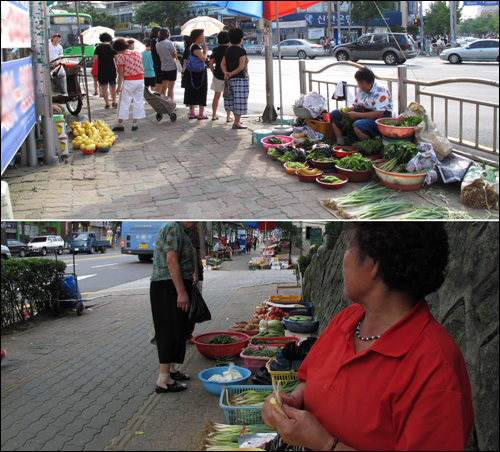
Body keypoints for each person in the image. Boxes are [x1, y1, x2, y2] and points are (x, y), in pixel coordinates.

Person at [261, 223, 474, 451]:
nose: (344, 259)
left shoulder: (435, 367)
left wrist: (324, 444)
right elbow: (309, 380)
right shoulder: (347, 320)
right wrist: (292, 401)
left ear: (374, 265)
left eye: (349, 248)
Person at [150, 221, 197, 393]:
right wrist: (181, 291)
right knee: (168, 329)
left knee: (177, 328)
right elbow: (171, 260)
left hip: (173, 285)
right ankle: (163, 380)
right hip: (167, 286)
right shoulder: (172, 227)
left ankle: (170, 370)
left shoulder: (181, 229)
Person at [330, 66, 393, 144]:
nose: (360, 86)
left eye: (362, 83)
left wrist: (356, 115)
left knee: (359, 125)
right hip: (362, 113)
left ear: (370, 82)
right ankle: (340, 142)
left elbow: (378, 114)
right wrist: (347, 109)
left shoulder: (380, 90)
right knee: (335, 114)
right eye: (358, 83)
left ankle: (368, 146)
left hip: (379, 119)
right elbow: (355, 105)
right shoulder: (361, 89)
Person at [112, 38, 145, 132]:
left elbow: (121, 73)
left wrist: (119, 86)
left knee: (124, 102)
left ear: (118, 49)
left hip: (129, 81)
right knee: (138, 101)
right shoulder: (137, 53)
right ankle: (134, 123)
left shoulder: (121, 56)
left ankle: (120, 123)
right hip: (140, 79)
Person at [221, 28, 250, 129]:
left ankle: (236, 121)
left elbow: (222, 64)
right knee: (240, 101)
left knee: (232, 100)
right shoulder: (242, 51)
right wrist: (231, 73)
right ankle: (237, 122)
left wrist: (226, 73)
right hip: (241, 79)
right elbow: (241, 67)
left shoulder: (228, 50)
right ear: (241, 39)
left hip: (229, 80)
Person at [183, 29, 208, 119]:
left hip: (192, 72)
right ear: (197, 37)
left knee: (191, 91)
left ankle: (192, 112)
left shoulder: (192, 46)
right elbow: (203, 59)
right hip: (199, 73)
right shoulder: (196, 47)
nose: (203, 38)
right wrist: (205, 51)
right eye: (202, 36)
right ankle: (201, 113)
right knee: (201, 91)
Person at [209, 31, 233, 122]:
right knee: (228, 97)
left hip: (217, 75)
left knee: (216, 96)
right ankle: (228, 117)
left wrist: (213, 71)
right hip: (228, 75)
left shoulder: (215, 49)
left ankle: (214, 115)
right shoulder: (230, 49)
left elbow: (210, 63)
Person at [186, 225, 204, 345]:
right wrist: (195, 273)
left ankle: (186, 333)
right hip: (192, 274)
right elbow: (193, 250)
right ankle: (188, 334)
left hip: (189, 273)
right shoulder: (191, 229)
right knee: (192, 305)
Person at [93, 32, 117, 109]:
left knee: (104, 87)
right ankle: (114, 102)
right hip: (111, 68)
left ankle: (107, 104)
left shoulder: (98, 48)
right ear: (110, 39)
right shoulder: (112, 48)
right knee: (113, 86)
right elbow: (117, 59)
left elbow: (95, 59)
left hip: (102, 69)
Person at [156, 28, 177, 100]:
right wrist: (174, 47)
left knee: (164, 86)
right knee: (171, 88)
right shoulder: (169, 43)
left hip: (163, 67)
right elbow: (174, 55)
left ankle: (163, 103)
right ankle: (171, 103)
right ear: (167, 34)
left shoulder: (157, 44)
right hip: (171, 67)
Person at [150, 27, 162, 93]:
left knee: (159, 82)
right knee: (159, 82)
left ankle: (158, 96)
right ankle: (158, 97)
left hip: (156, 63)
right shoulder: (156, 41)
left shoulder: (153, 41)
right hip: (158, 63)